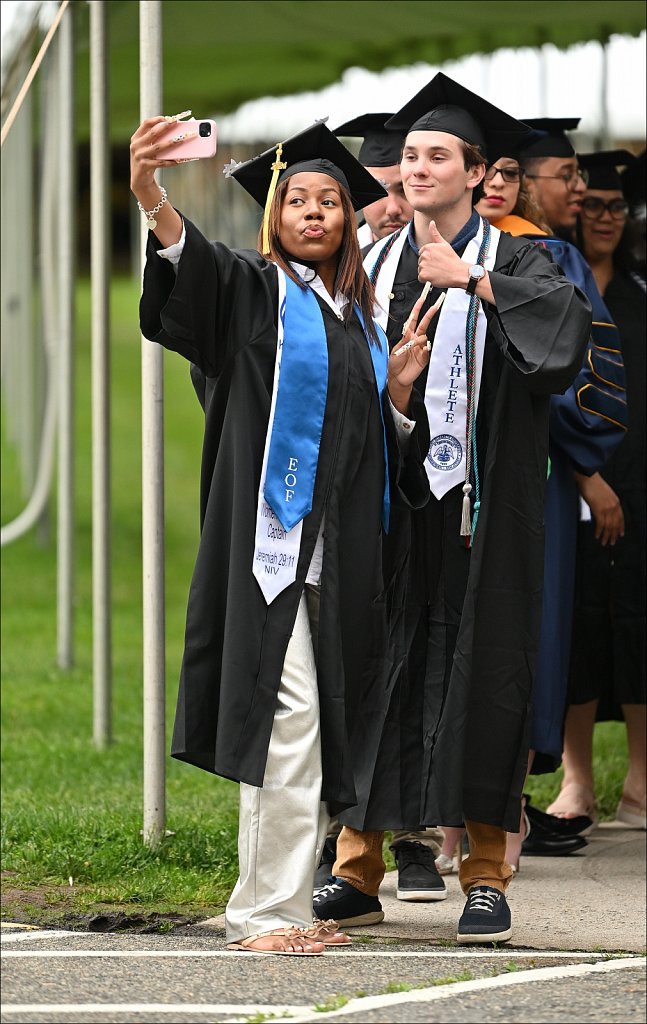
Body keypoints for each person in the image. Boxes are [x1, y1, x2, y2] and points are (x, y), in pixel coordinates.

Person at [131, 117, 435, 956]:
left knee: (309, 731)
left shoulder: (361, 326)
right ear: (273, 215)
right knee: (290, 723)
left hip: (339, 568)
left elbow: (375, 458)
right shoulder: (254, 293)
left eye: (330, 201)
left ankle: (281, 908)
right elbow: (189, 276)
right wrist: (152, 196)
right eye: (297, 199)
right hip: (268, 552)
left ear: (347, 220)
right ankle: (265, 915)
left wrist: (398, 398)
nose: (313, 212)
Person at [312, 72, 592, 945]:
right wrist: (393, 399)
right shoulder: (372, 266)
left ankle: (482, 873)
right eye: (410, 156)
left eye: (438, 155)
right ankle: (356, 868)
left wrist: (472, 280)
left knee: (487, 677)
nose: (418, 166)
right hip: (397, 507)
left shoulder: (518, 258)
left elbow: (561, 336)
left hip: (487, 507)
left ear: (477, 174)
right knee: (374, 671)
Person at [515, 122, 629, 841]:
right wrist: (587, 466)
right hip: (538, 473)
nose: (579, 188)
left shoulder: (532, 251)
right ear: (525, 180)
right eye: (564, 174)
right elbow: (560, 379)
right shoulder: (541, 255)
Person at [550, 150, 646, 830]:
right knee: (577, 625)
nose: (604, 218)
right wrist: (590, 477)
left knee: (640, 625)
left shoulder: (640, 294)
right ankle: (576, 781)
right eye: (591, 206)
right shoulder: (562, 290)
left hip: (641, 486)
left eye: (616, 207)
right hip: (579, 483)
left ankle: (641, 781)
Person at [334, 113, 413, 245]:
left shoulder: (453, 259)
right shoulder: (335, 260)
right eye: (377, 191)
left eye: (405, 190)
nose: (393, 209)